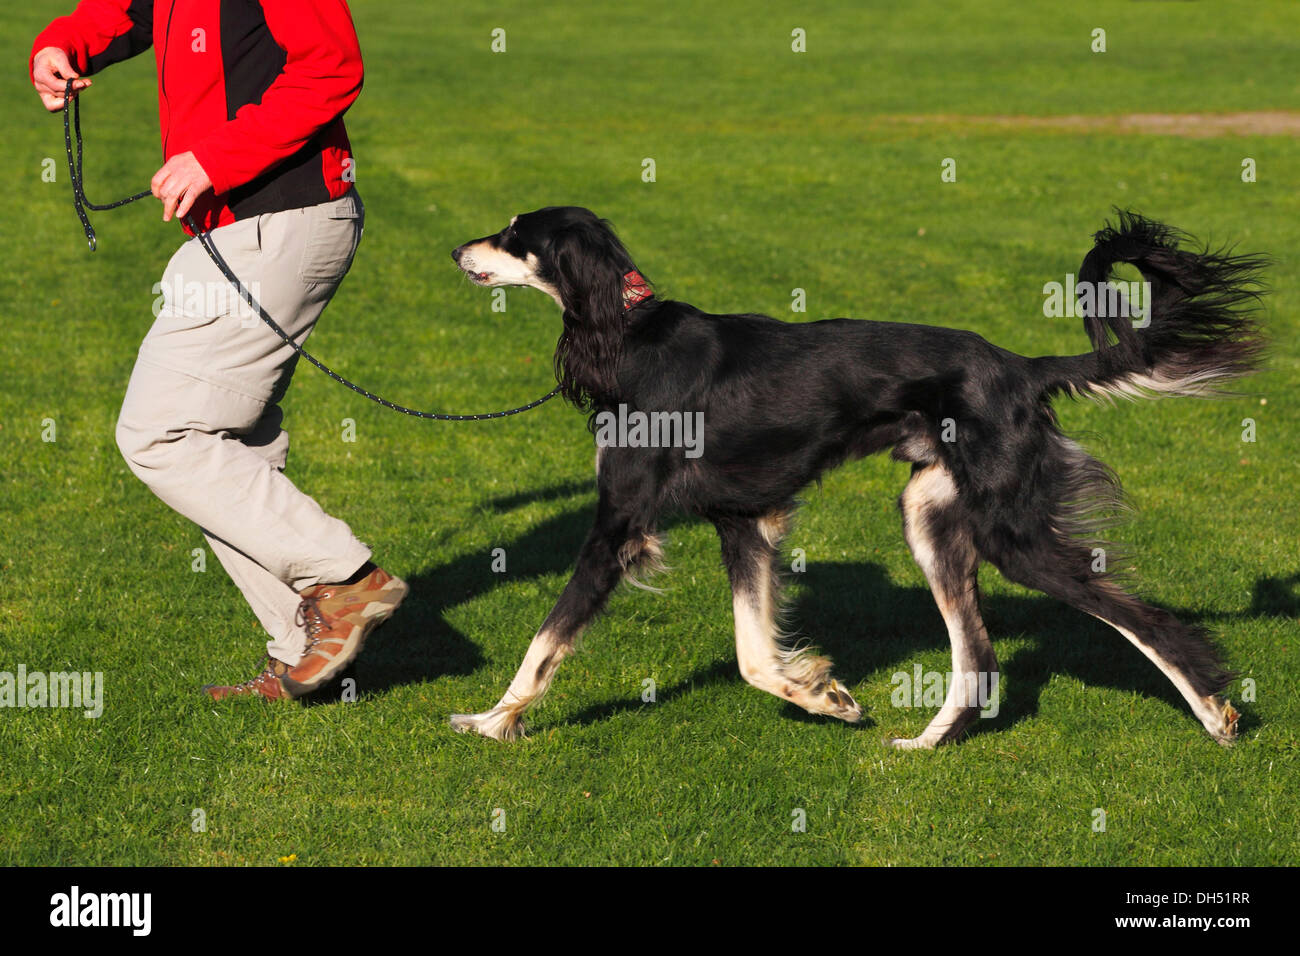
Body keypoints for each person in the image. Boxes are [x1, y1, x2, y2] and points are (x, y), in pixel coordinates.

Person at [30, 0, 407, 701]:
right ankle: (306, 650)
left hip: (281, 216)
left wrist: (214, 157)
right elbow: (130, 10)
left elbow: (331, 66)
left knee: (163, 434)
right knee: (233, 439)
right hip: (240, 226)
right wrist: (63, 46)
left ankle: (346, 581)